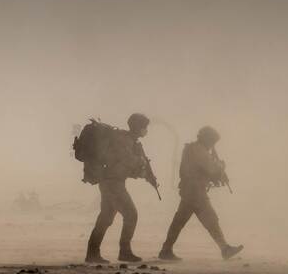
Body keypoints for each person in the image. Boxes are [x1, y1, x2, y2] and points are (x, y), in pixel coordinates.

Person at [159, 126, 243, 261]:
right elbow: (211, 169)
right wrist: (221, 166)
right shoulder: (199, 150)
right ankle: (224, 249)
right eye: (212, 141)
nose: (213, 145)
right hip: (195, 191)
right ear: (207, 139)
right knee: (211, 219)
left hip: (192, 190)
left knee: (181, 221)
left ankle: (166, 249)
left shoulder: (194, 149)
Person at [85, 113, 153, 264]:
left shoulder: (131, 141)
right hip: (112, 183)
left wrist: (145, 172)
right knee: (131, 215)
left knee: (106, 218)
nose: (146, 130)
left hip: (113, 182)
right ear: (138, 127)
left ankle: (92, 253)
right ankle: (124, 252)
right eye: (144, 127)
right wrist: (141, 162)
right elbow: (127, 159)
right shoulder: (123, 140)